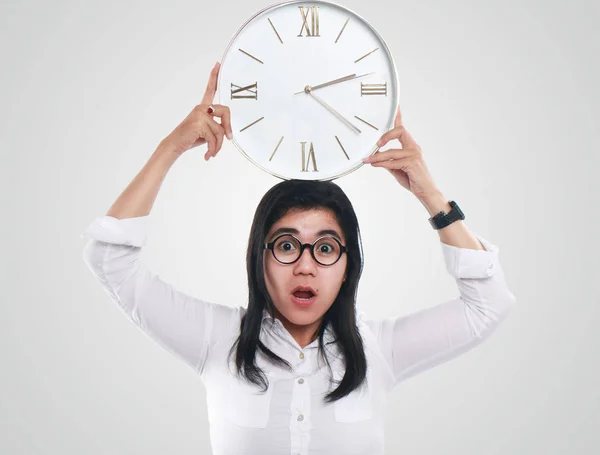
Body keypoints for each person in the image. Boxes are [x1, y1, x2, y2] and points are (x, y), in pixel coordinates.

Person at [80, 61, 516, 455]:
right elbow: (110, 258)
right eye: (287, 246)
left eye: (325, 248)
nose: (305, 265)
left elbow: (489, 305)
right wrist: (170, 147)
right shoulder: (215, 339)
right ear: (260, 259)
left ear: (348, 267)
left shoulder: (378, 349)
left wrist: (431, 195)